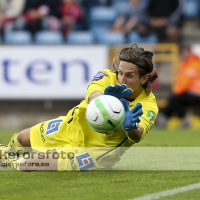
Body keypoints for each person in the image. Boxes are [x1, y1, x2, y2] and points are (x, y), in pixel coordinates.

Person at [0, 43, 158, 171]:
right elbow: (92, 96)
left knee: (30, 163)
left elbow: (137, 135)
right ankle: (6, 154)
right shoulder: (107, 76)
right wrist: (105, 100)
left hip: (92, 152)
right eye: (120, 73)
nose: (121, 80)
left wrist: (130, 127)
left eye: (129, 76)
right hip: (71, 127)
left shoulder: (148, 104)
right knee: (21, 139)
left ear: (143, 78)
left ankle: (11, 162)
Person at [157, 45, 200, 129]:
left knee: (175, 99)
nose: (184, 54)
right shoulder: (186, 64)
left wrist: (177, 91)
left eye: (185, 52)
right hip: (192, 92)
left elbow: (185, 82)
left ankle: (169, 117)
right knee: (176, 100)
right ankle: (181, 118)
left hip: (196, 93)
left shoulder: (194, 64)